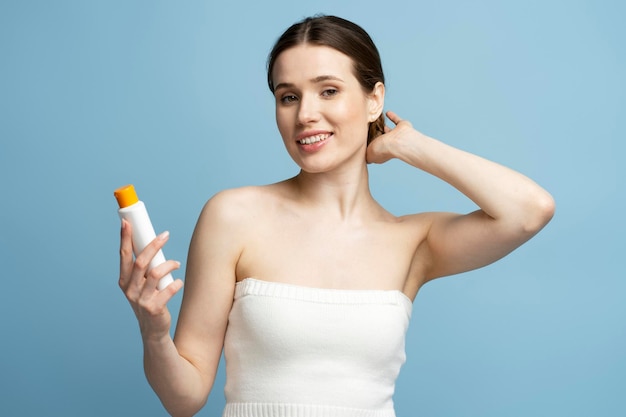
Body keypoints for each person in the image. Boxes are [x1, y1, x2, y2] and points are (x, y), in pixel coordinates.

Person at [118, 15, 555, 417]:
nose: (305, 114)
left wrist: (408, 144)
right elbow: (184, 398)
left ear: (374, 99)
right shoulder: (233, 215)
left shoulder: (413, 241)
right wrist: (154, 332)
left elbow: (529, 211)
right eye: (288, 96)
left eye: (328, 90)